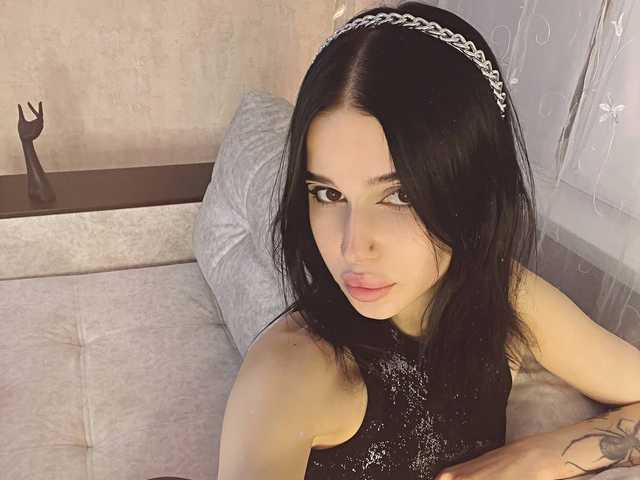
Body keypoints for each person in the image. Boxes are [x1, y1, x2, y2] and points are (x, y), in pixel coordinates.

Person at [217, 2, 542, 479]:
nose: (352, 248)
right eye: (327, 193)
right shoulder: (291, 372)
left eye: (399, 195)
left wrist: (534, 458)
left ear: (475, 189)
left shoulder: (504, 296)